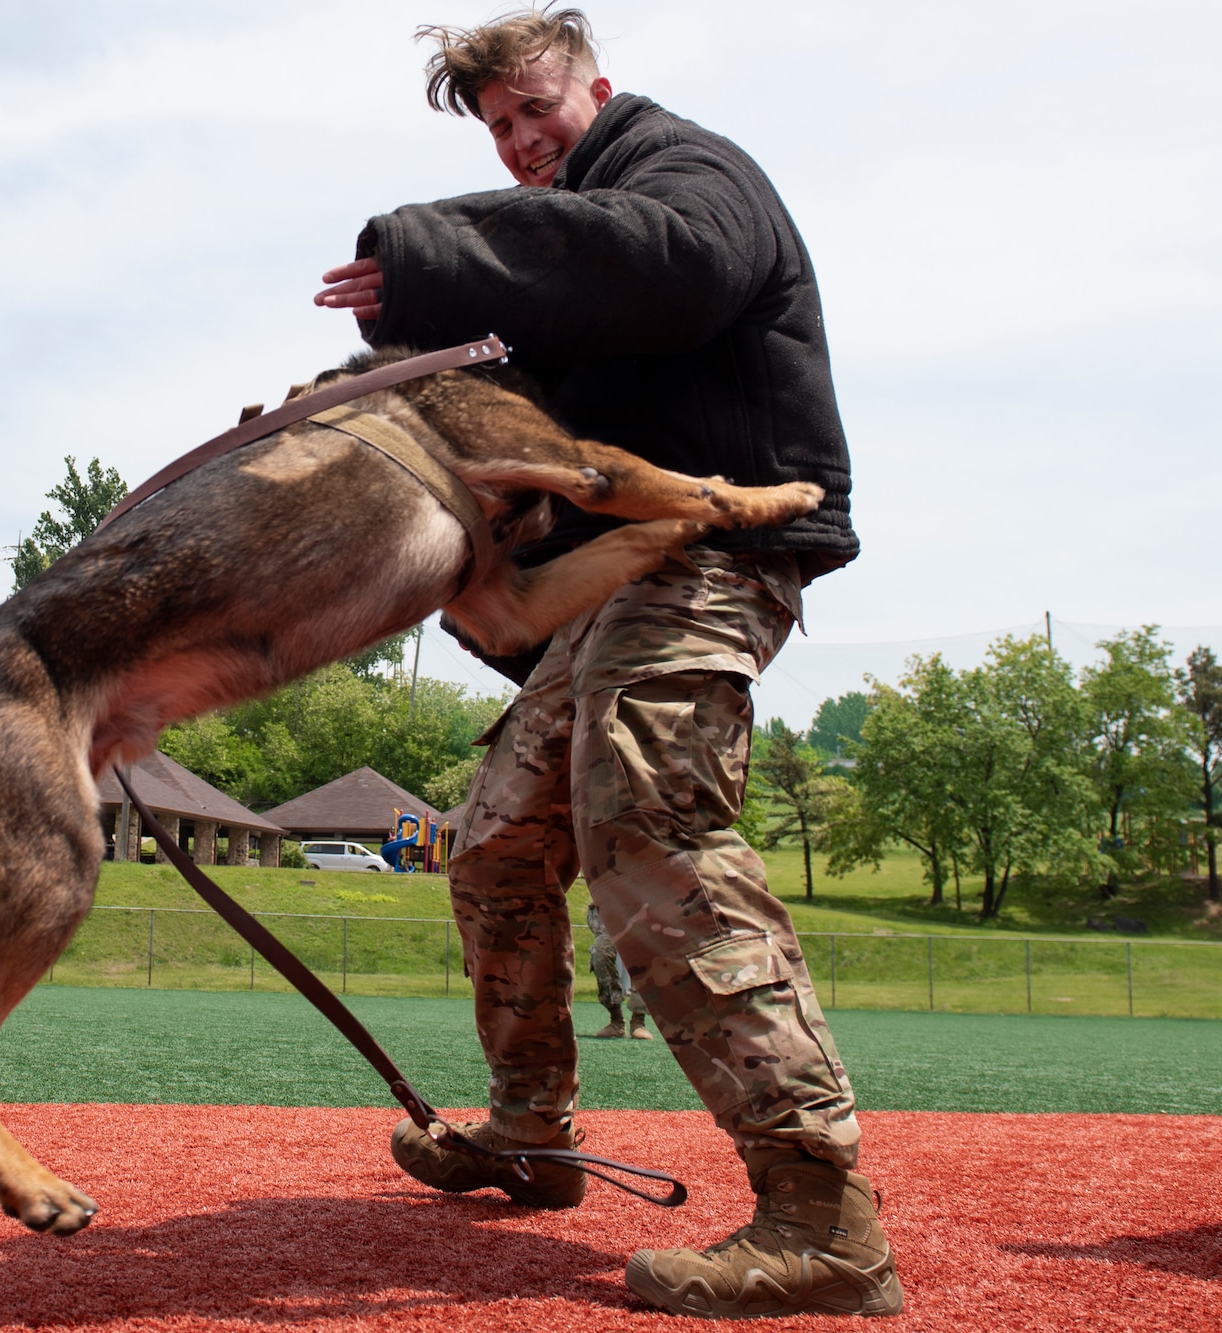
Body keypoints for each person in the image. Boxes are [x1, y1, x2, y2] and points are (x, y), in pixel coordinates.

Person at [314, 8, 900, 1320]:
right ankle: (532, 1129)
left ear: (600, 89)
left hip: (709, 551)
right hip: (609, 588)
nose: (522, 142)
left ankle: (822, 1215)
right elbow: (512, 393)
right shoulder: (561, 269)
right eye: (501, 127)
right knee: (499, 844)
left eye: (536, 111)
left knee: (647, 825)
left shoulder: (688, 175)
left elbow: (662, 266)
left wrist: (430, 250)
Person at [588, 906, 648, 1040]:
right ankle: (616, 1021)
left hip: (637, 900)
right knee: (600, 953)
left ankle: (638, 1021)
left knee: (645, 952)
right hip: (605, 904)